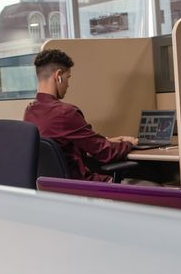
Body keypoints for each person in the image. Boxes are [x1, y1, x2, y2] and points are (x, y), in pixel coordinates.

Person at [23, 49, 138, 182]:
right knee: (151, 186)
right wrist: (129, 144)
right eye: (68, 78)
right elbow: (105, 153)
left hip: (50, 188)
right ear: (58, 75)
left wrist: (108, 141)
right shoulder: (65, 113)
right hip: (80, 187)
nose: (68, 85)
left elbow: (66, 142)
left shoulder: (29, 112)